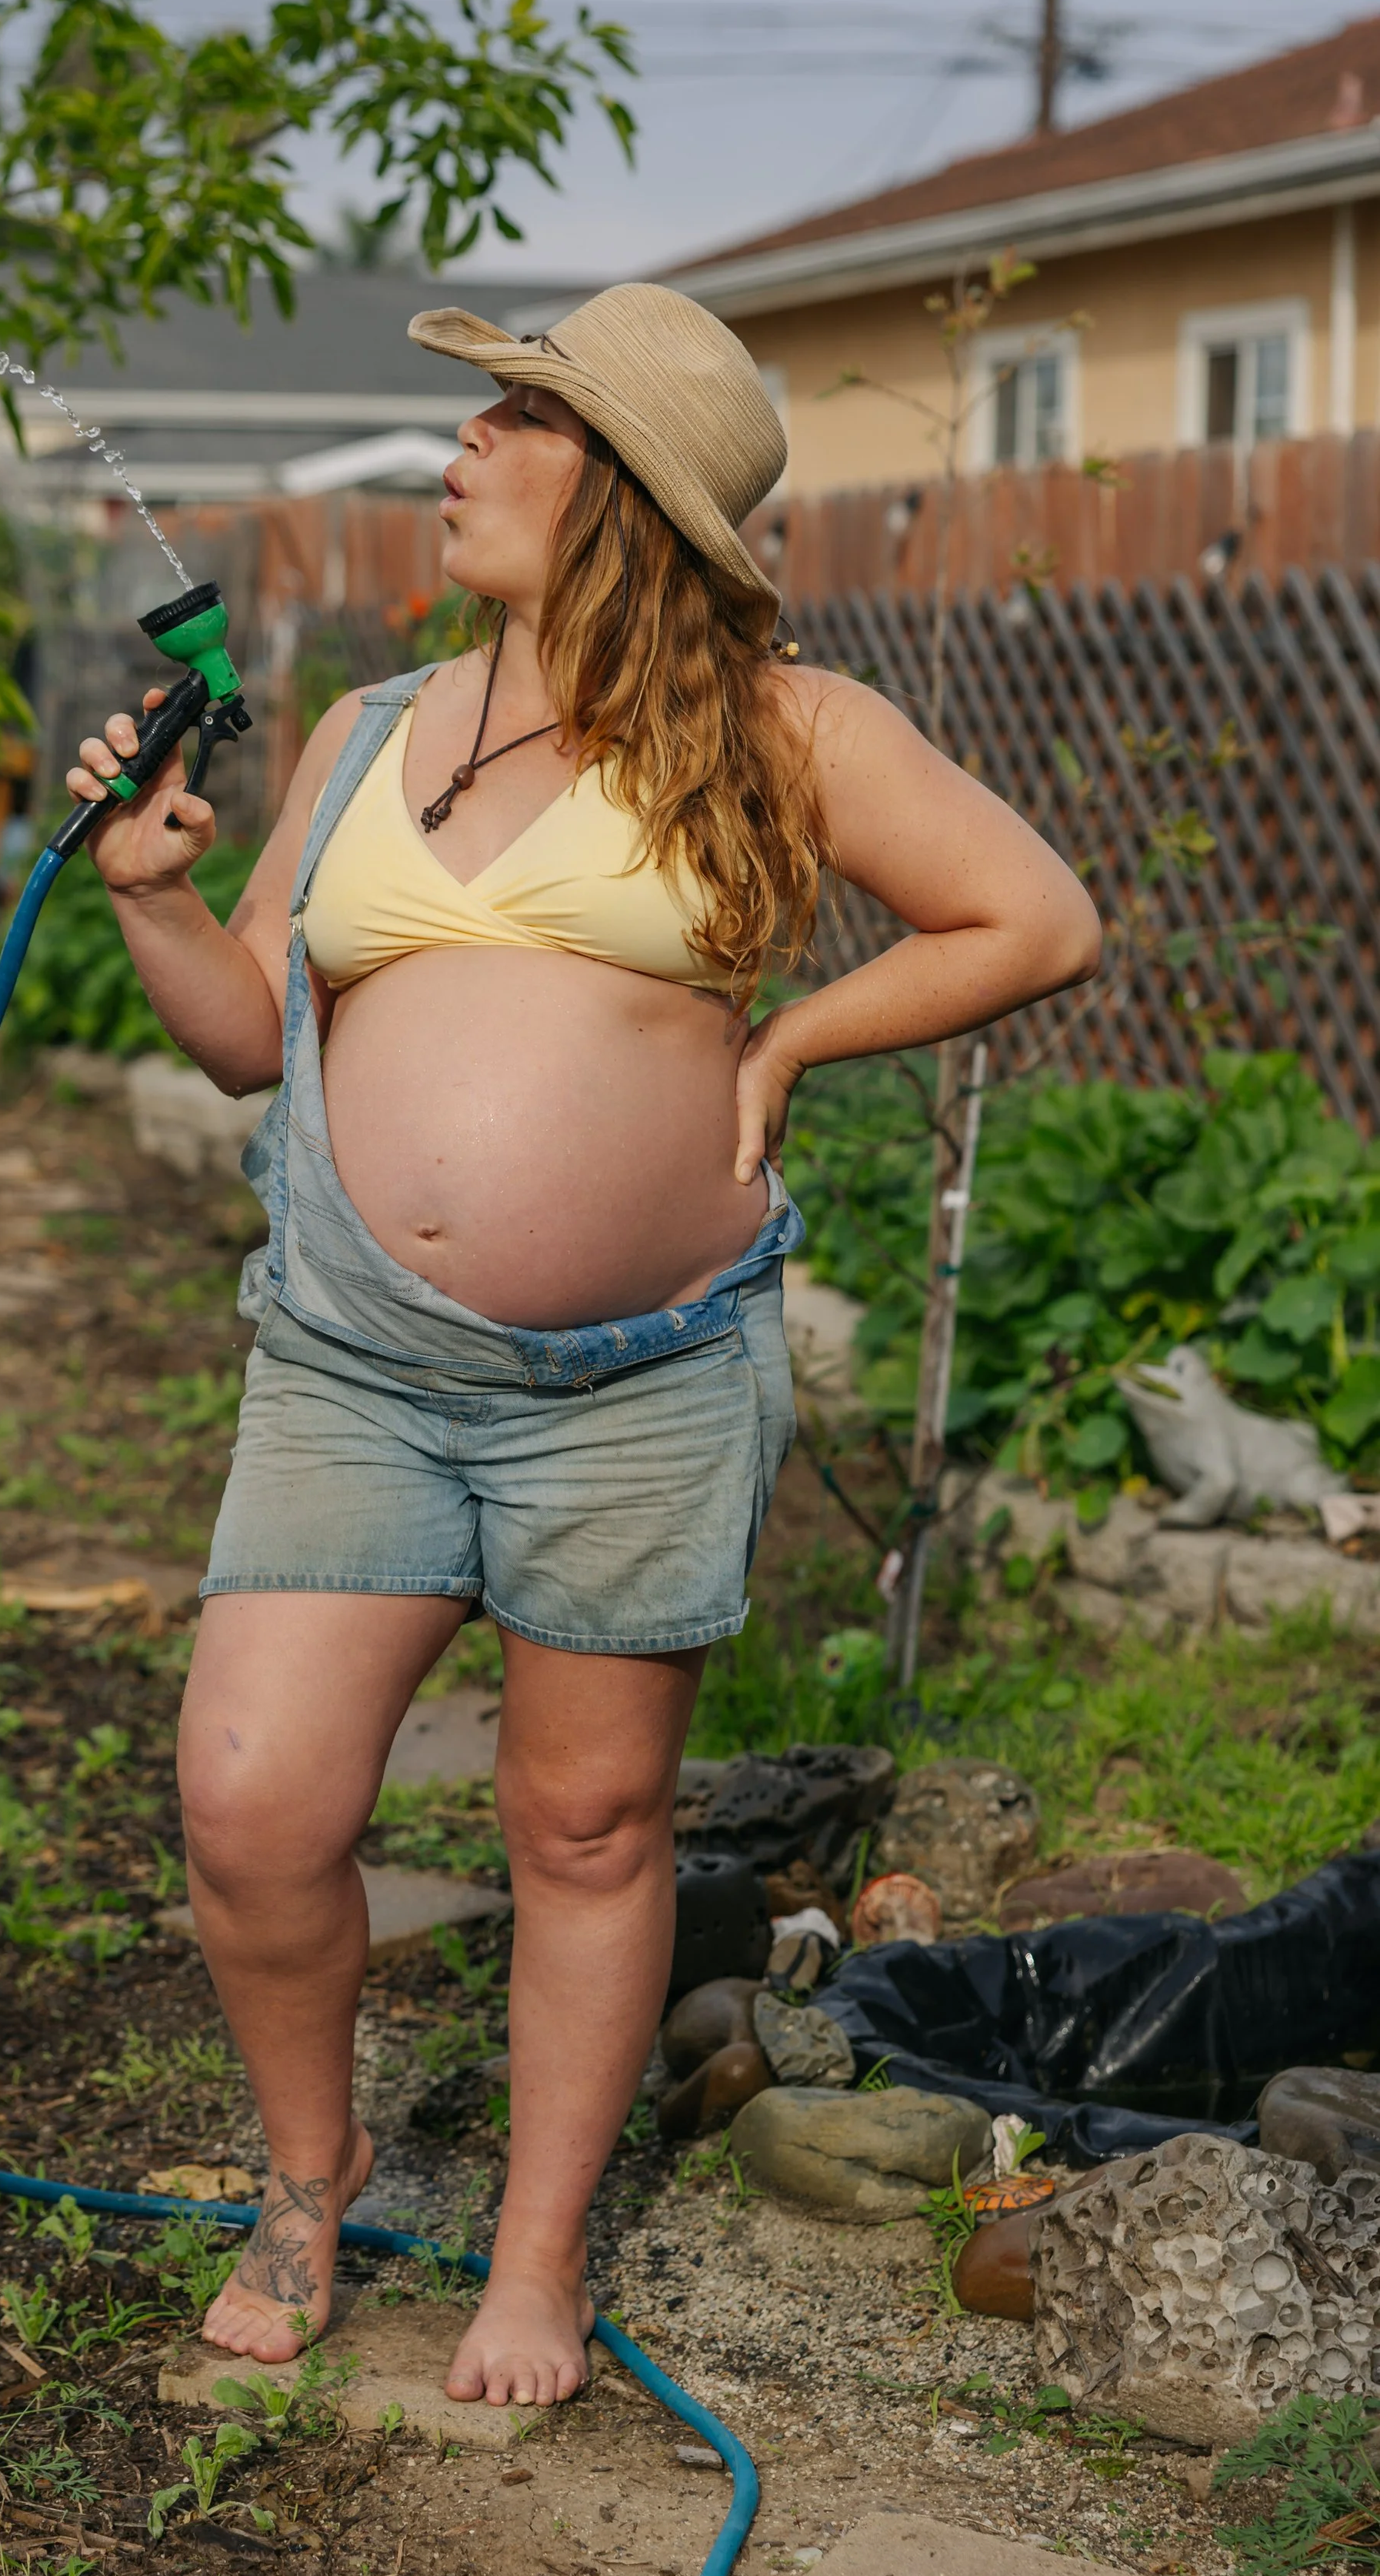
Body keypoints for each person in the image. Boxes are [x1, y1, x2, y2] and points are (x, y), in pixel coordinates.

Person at [65, 283, 1100, 2409]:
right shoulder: (363, 732)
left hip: (634, 1379)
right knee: (250, 1810)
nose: (452, 452)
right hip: (351, 1358)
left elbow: (1034, 916)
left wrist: (802, 1024)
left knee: (590, 1825)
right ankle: (304, 2169)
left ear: (616, 485)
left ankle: (532, 2256)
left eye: (502, 424)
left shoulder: (785, 729)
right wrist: (153, 903)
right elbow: (263, 1039)